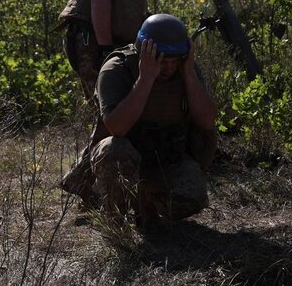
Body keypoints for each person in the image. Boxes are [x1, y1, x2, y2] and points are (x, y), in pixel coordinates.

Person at [58, 0, 169, 207]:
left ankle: (85, 182)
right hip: (92, 42)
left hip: (103, 41)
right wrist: (106, 49)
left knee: (110, 114)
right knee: (113, 112)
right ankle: (85, 180)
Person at [91, 14, 218, 232]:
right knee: (113, 148)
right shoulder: (117, 69)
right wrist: (146, 78)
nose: (168, 68)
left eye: (174, 61)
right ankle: (114, 218)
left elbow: (207, 121)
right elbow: (117, 127)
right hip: (125, 160)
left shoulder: (185, 69)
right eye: (162, 60)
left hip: (164, 160)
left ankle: (146, 200)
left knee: (193, 197)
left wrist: (188, 73)